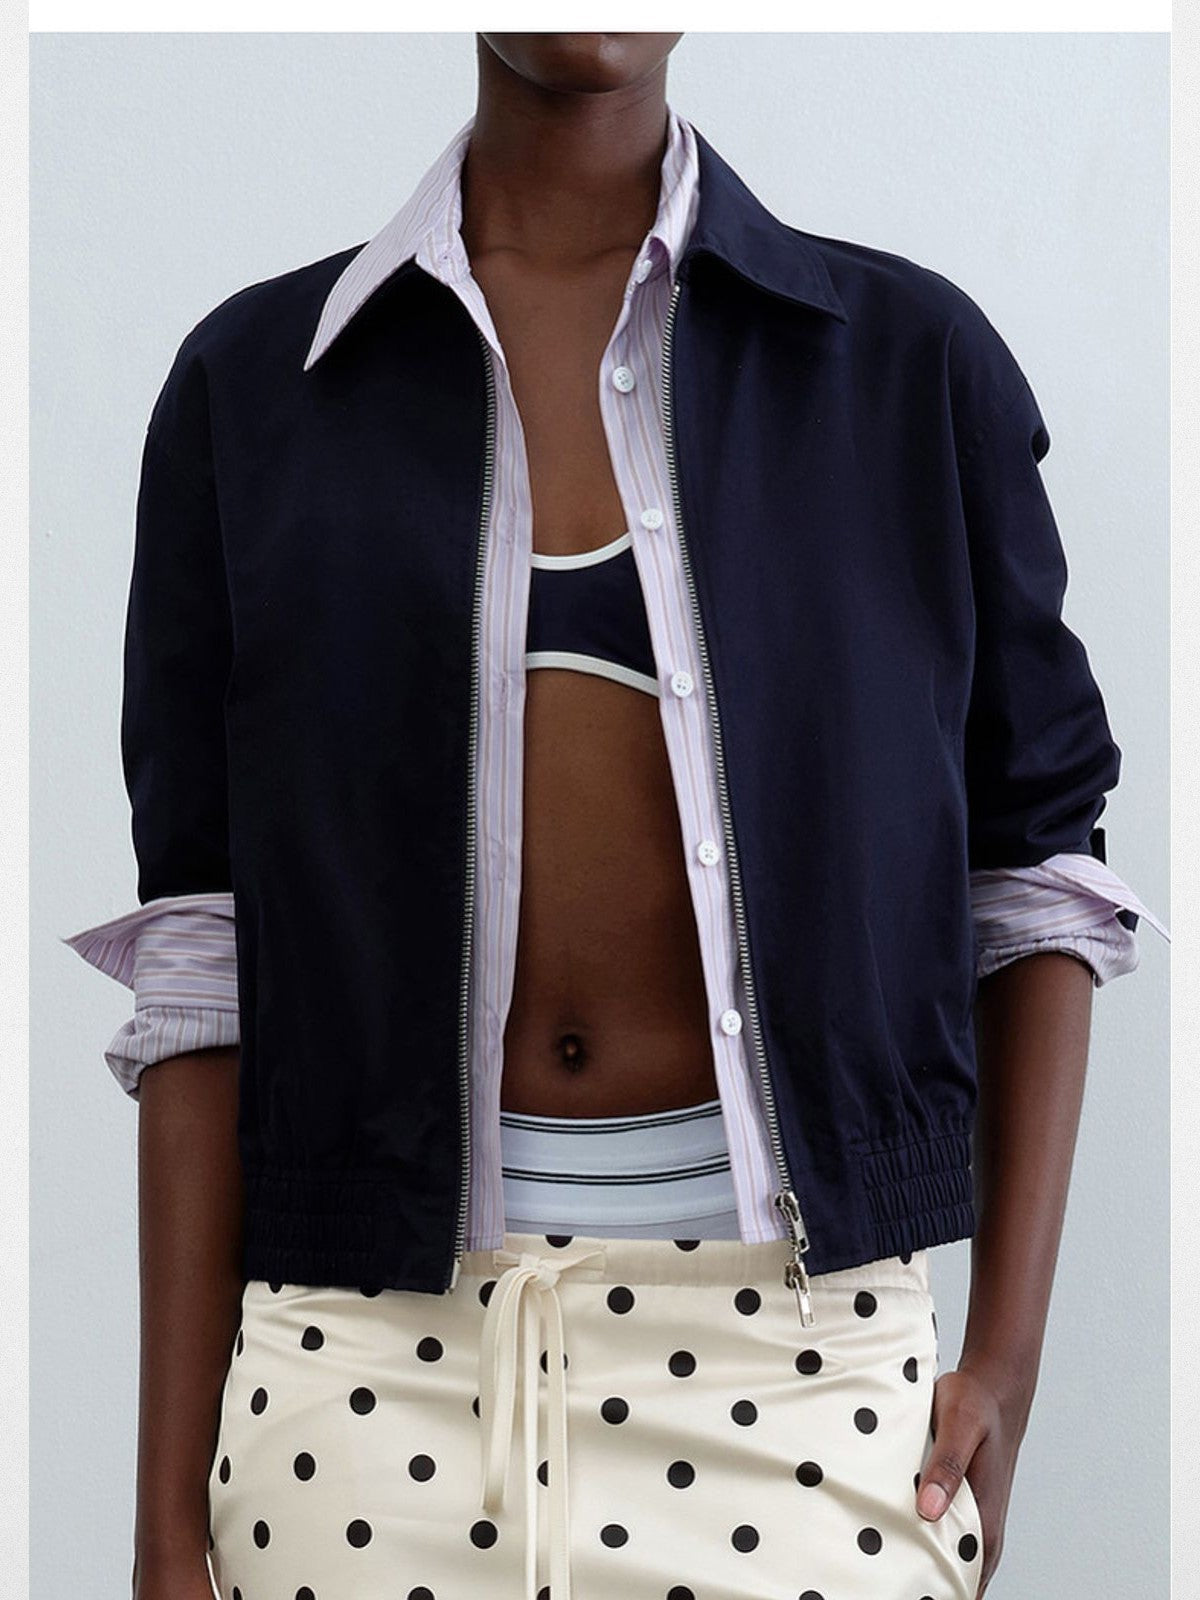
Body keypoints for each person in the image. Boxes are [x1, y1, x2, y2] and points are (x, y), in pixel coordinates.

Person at [63, 31, 1167, 1600]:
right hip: (361, 1386)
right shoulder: (256, 389)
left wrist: (1008, 1360)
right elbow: (205, 958)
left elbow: (1037, 874)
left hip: (802, 1379)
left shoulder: (909, 366)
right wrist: (164, 1523)